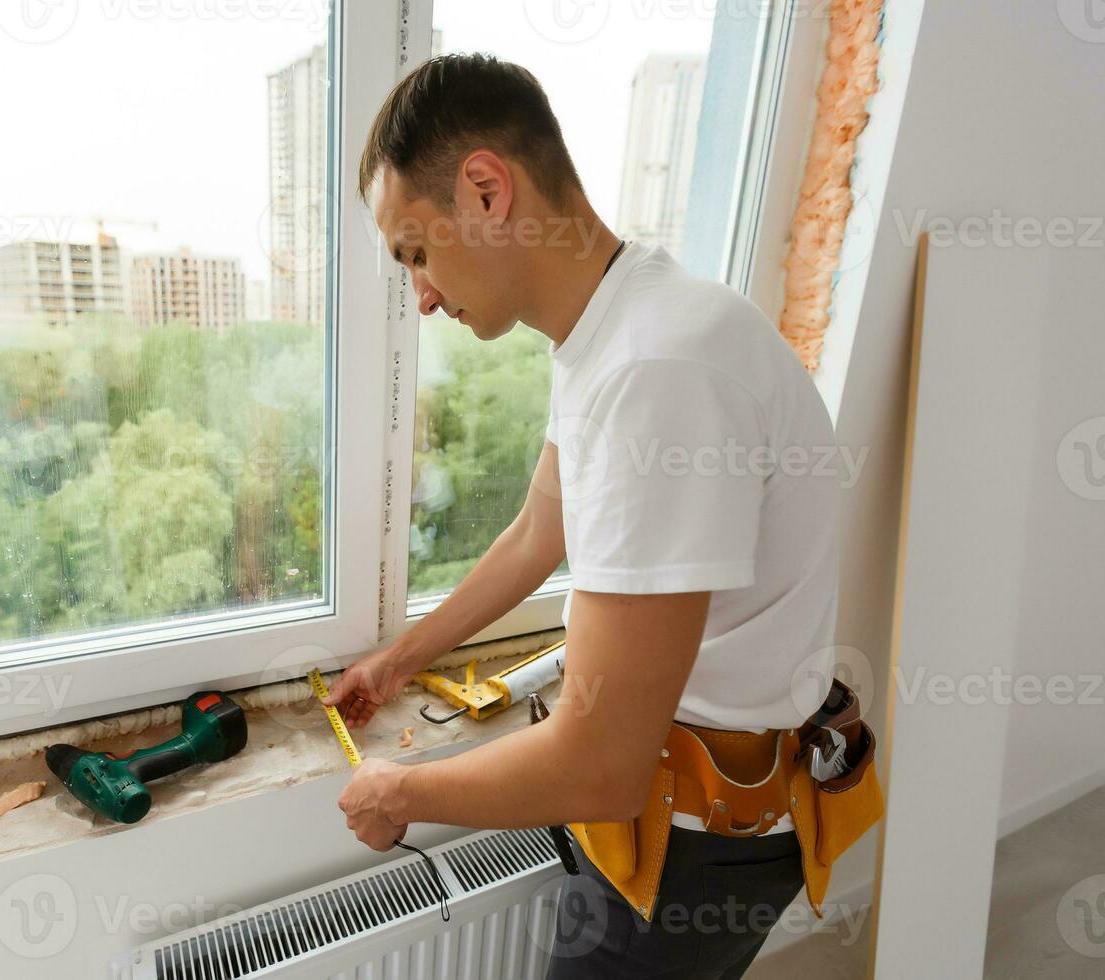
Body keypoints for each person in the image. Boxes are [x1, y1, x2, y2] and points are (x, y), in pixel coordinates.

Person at [327, 53, 841, 977]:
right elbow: (538, 530)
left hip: (693, 844)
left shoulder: (659, 372)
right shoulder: (612, 330)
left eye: (416, 253)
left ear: (485, 188)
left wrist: (399, 792)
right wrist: (400, 658)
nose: (423, 294)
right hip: (669, 811)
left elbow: (602, 761)